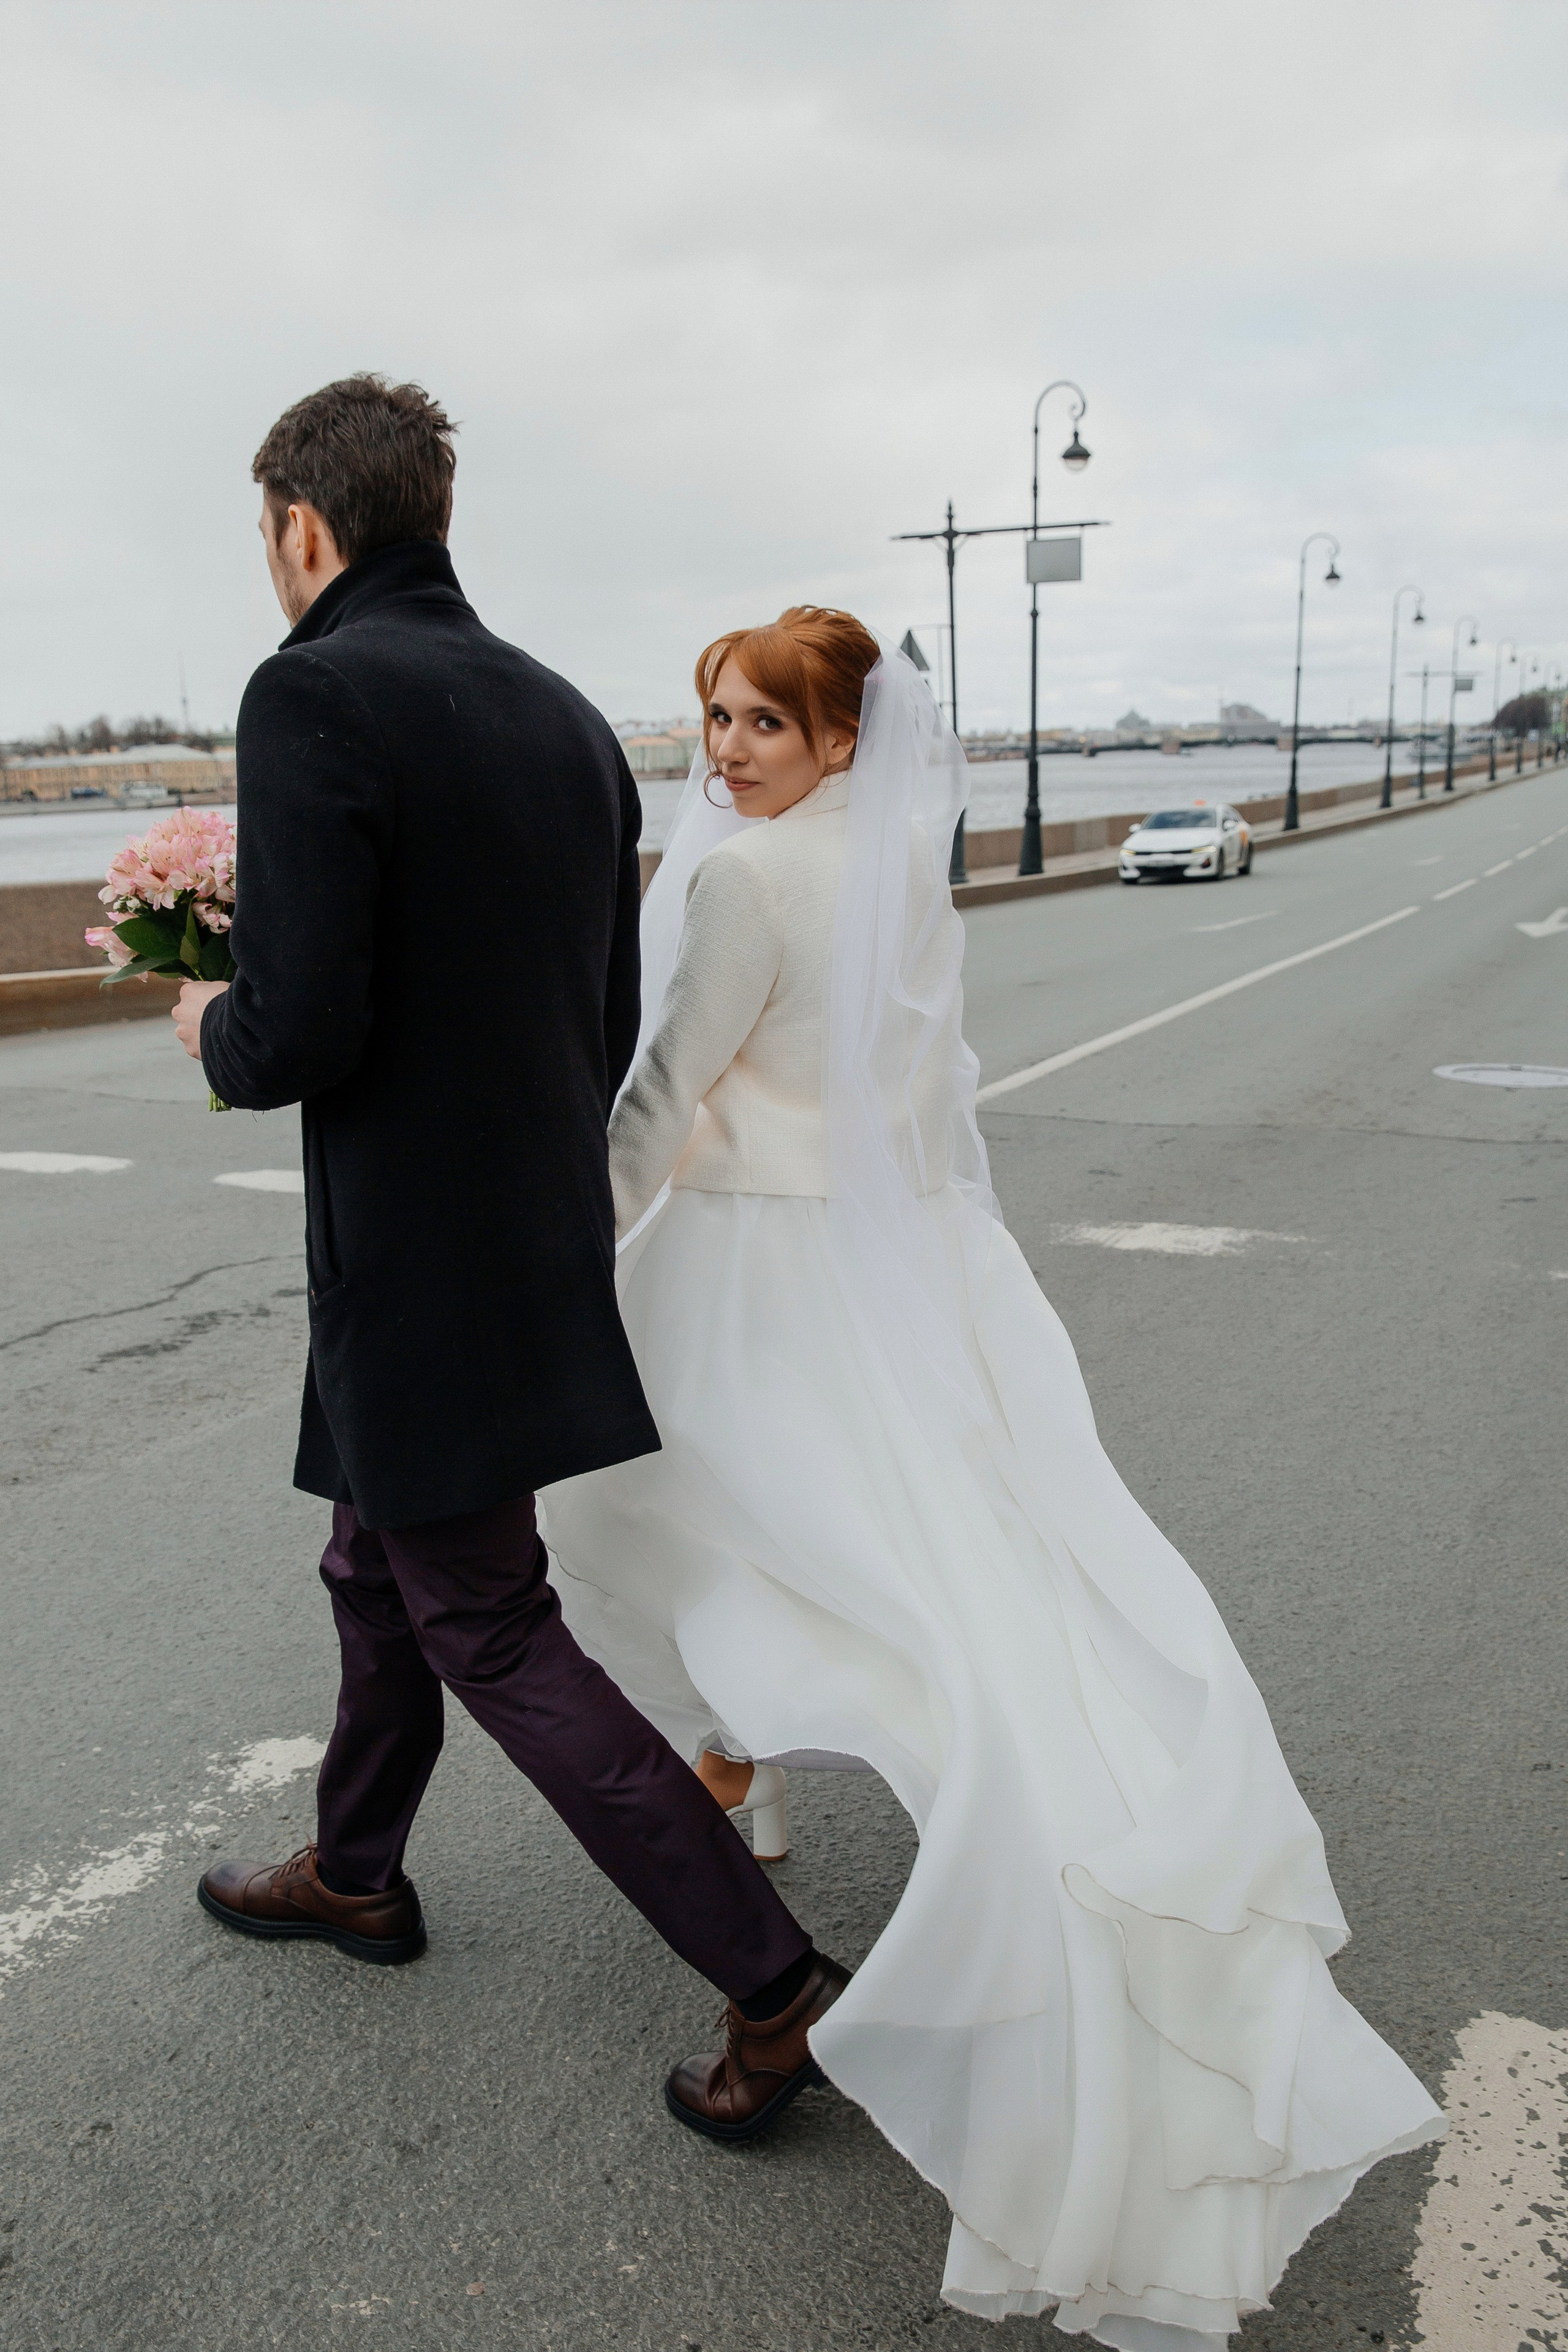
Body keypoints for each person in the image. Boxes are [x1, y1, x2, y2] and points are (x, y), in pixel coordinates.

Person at [541, 607, 1446, 2342]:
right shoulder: (891, 878)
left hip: (752, 1269)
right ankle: (748, 1768)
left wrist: (568, 1259)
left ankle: (794, 1807)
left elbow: (664, 1098)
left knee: (691, 1525)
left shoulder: (740, 885)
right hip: (899, 1262)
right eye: (712, 718)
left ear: (840, 745)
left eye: (762, 727)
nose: (724, 750)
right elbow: (918, 1091)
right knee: (876, 1548)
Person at [171, 376, 846, 2128]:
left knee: (488, 1624)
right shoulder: (564, 720)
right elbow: (606, 1012)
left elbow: (301, 1029)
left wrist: (208, 1024)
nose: (272, 567)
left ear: (305, 530)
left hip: (407, 1267)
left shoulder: (310, 689)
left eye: (269, 539)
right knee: (373, 1570)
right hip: (523, 1241)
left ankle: (773, 1982)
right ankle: (358, 1867)